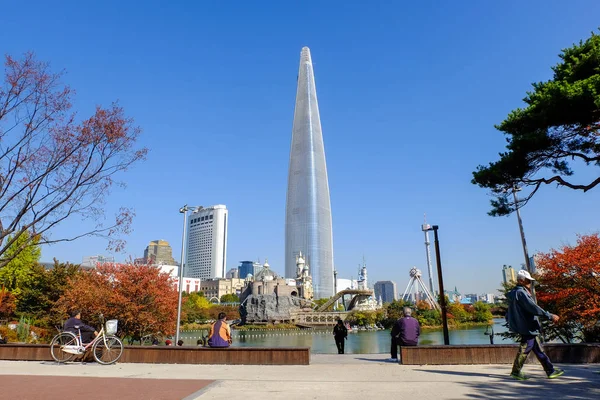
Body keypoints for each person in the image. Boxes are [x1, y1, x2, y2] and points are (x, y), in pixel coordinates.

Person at [507, 269, 564, 380]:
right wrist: (550, 315)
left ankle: (550, 370)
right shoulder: (521, 293)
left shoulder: (514, 293)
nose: (530, 283)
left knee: (538, 349)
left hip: (525, 326)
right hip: (528, 326)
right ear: (521, 281)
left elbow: (509, 312)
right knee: (525, 348)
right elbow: (533, 308)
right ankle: (516, 371)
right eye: (528, 281)